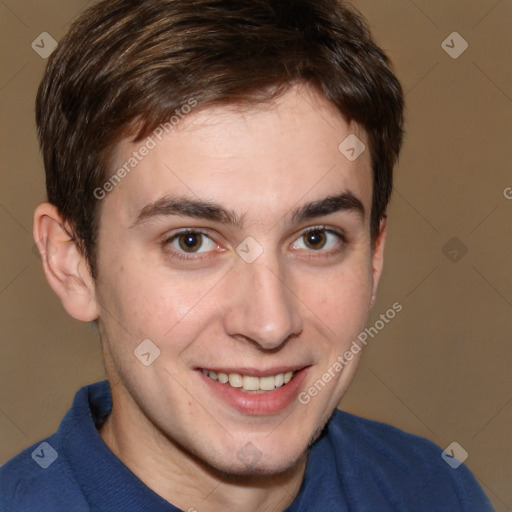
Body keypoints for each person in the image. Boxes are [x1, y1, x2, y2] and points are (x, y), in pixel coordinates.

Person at [0, 0, 493, 511]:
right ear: (73, 264)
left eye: (316, 238)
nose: (269, 324)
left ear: (373, 258)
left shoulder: (436, 490)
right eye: (190, 241)